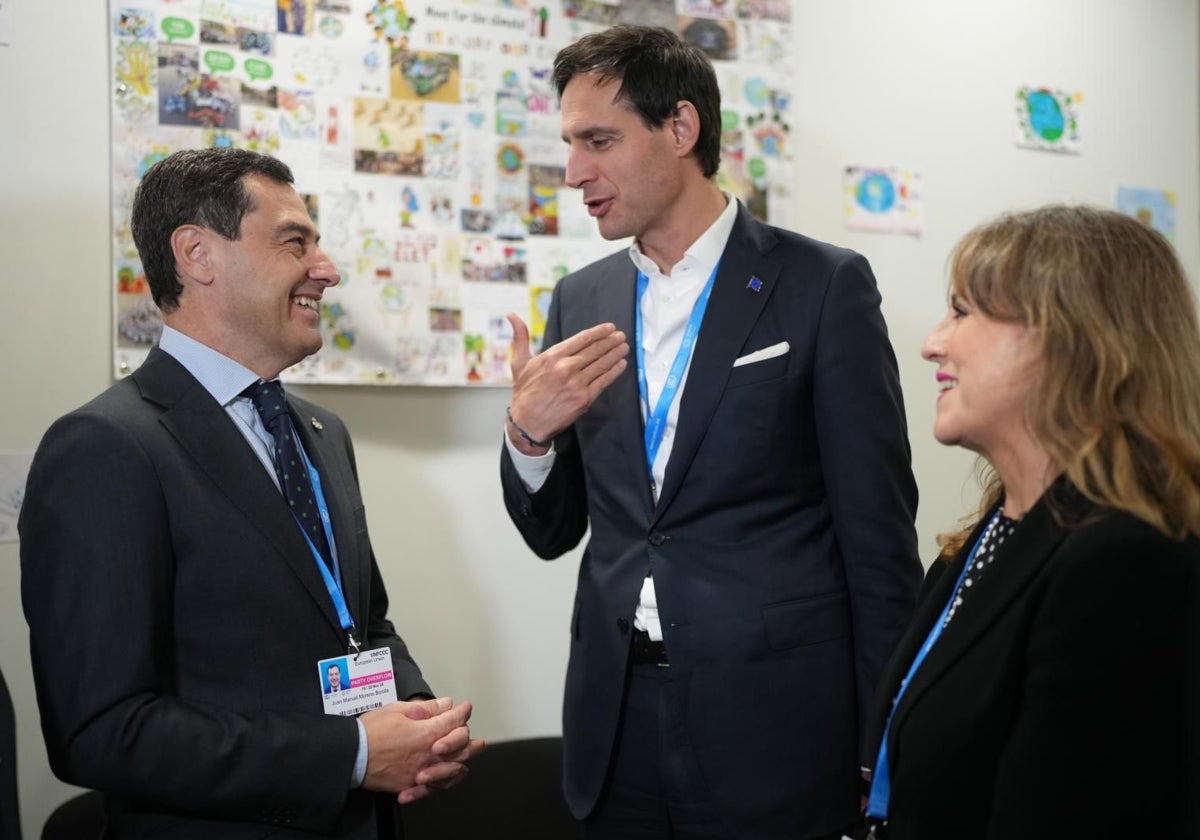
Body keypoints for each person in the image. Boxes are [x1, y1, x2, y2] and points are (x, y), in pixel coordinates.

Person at [499, 24, 922, 840]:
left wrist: (886, 736)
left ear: (682, 129)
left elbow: (877, 540)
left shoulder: (823, 287)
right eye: (569, 144)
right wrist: (528, 438)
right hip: (615, 723)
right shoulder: (579, 300)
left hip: (775, 730)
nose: (575, 172)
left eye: (599, 141)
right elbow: (556, 534)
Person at [20, 148, 483, 839]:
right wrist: (353, 755)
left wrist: (415, 721)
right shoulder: (104, 447)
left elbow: (361, 623)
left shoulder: (321, 433)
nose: (325, 271)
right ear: (198, 255)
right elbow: (102, 729)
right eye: (295, 243)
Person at [864, 205, 1200, 839]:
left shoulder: (1126, 564)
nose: (932, 341)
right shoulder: (980, 539)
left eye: (962, 311)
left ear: (1065, 338)